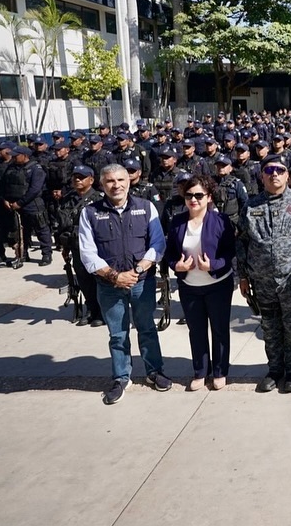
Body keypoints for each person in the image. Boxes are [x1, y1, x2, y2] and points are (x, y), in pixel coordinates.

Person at [77, 164, 171, 405]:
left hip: (141, 282)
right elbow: (88, 253)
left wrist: (137, 270)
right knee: (117, 334)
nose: (116, 185)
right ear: (101, 184)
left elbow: (157, 244)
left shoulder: (145, 207)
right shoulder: (89, 213)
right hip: (109, 285)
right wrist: (114, 276)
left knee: (147, 328)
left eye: (121, 179)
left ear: (129, 181)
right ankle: (121, 377)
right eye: (110, 181)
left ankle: (154, 371)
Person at [237, 154, 291, 394]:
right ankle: (274, 371)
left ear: (287, 174)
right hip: (262, 280)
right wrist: (242, 276)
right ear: (261, 175)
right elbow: (242, 241)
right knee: (269, 329)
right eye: (269, 170)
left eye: (279, 170)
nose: (274, 175)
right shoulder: (251, 205)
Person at [164, 174, 237, 392]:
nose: (193, 199)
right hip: (189, 286)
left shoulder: (221, 220)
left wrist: (213, 264)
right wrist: (176, 266)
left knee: (219, 329)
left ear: (209, 197)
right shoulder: (177, 221)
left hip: (218, 284)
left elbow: (230, 253)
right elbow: (169, 254)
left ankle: (220, 371)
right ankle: (200, 371)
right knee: (196, 330)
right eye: (189, 195)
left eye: (198, 195)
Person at [55, 165, 104, 325]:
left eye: (81, 177)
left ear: (91, 180)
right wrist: (64, 246)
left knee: (99, 280)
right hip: (75, 247)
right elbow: (62, 223)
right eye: (75, 177)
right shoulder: (68, 198)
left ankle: (101, 313)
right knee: (84, 281)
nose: (77, 180)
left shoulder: (99, 199)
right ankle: (91, 310)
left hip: (96, 248)